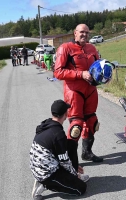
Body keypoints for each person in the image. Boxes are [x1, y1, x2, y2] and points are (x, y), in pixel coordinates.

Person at [53, 24, 103, 173]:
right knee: (76, 126)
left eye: (87, 33)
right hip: (74, 91)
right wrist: (80, 74)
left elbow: (98, 67)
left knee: (92, 122)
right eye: (82, 32)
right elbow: (58, 72)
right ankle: (70, 162)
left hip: (91, 90)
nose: (84, 35)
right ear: (75, 33)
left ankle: (87, 153)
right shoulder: (65, 48)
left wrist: (103, 74)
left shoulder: (92, 48)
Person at [29, 99, 89, 200]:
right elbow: (64, 161)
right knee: (81, 189)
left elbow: (61, 153)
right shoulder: (58, 134)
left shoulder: (46, 124)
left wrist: (73, 167)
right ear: (66, 113)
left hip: (41, 164)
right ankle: (45, 185)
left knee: (71, 144)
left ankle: (69, 177)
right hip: (46, 174)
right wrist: (75, 175)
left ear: (52, 113)